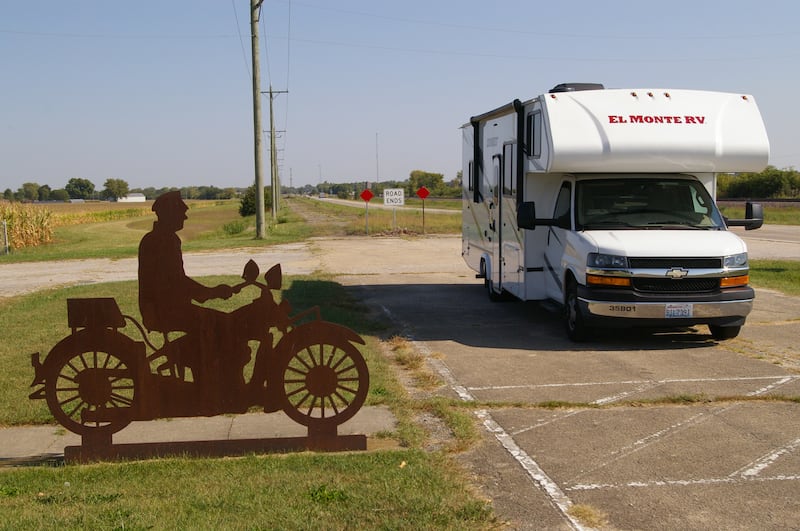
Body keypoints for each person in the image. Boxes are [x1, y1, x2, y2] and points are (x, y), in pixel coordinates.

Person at [138, 191, 245, 412]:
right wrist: (212, 292)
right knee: (222, 324)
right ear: (168, 214)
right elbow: (176, 283)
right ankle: (211, 394)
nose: (185, 218)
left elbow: (176, 283)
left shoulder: (161, 239)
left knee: (220, 322)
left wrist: (210, 292)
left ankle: (215, 387)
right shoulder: (163, 241)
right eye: (181, 212)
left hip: (167, 306)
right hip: (164, 310)